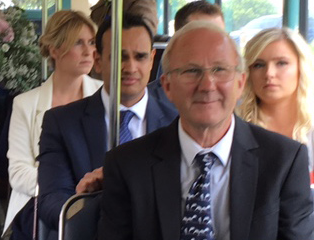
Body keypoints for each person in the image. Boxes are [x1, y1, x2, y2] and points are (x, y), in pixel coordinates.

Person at [99, 21, 314, 240]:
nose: (207, 85)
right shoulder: (128, 165)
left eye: (220, 70)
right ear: (167, 86)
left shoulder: (284, 161)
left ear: (240, 83)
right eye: (192, 71)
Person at [37, 14, 177, 240]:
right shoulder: (62, 123)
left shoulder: (176, 121)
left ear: (152, 60)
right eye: (120, 57)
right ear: (98, 60)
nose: (130, 67)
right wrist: (82, 200)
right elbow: (51, 201)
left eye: (140, 57)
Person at [3, 10, 103, 239]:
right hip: (38, 203)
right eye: (78, 43)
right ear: (55, 49)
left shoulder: (105, 97)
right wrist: (61, 188)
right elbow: (18, 173)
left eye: (91, 42)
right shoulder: (25, 104)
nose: (89, 51)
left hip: (96, 201)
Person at [237, 27, 314, 176]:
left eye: (281, 63)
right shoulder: (234, 127)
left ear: (301, 67)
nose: (269, 74)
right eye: (258, 65)